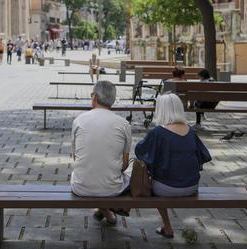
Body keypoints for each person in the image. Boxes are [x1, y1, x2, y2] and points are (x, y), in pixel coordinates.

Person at [135, 93, 212, 238]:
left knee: (151, 182)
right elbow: (202, 155)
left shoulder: (158, 132)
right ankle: (166, 227)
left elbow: (140, 151)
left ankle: (168, 227)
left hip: (167, 188)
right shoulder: (190, 131)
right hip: (192, 186)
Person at [71, 81, 132, 225]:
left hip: (81, 186)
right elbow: (124, 165)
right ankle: (107, 210)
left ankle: (104, 211)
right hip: (112, 188)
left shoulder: (79, 120)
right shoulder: (123, 124)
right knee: (124, 172)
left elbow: (76, 157)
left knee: (92, 169)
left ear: (94, 97)